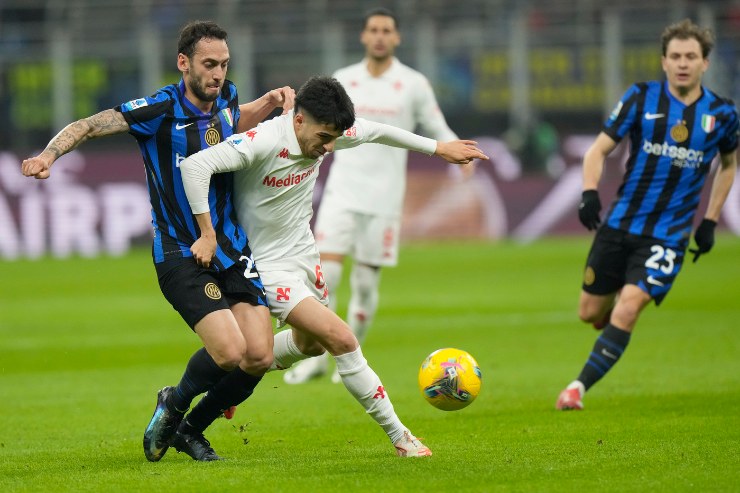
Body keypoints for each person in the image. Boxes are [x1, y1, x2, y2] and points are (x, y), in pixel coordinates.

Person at [21, 20, 296, 460]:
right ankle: (174, 400)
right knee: (229, 353)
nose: (218, 74)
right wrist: (47, 154)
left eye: (224, 65)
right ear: (183, 62)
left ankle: (189, 430)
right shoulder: (158, 109)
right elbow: (91, 125)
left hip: (229, 245)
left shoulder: (225, 95)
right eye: (209, 64)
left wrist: (265, 102)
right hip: (180, 250)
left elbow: (231, 119)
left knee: (259, 356)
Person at [180, 75, 487, 456]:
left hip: (304, 257)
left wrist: (439, 148)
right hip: (265, 266)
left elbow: (376, 131)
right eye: (324, 138)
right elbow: (194, 167)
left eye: (334, 139)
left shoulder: (327, 133)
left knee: (311, 346)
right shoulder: (263, 141)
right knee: (341, 339)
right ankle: (401, 437)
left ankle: (232, 381)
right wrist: (207, 233)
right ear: (298, 120)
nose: (328, 148)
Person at [556, 19, 738, 411]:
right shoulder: (641, 98)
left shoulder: (722, 114)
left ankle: (577, 388)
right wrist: (589, 193)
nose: (683, 63)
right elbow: (596, 150)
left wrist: (709, 220)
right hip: (621, 223)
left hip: (668, 236)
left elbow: (728, 165)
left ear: (705, 63)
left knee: (630, 304)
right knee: (589, 311)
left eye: (691, 56)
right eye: (676, 56)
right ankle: (618, 300)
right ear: (664, 61)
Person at [283, 7, 468, 385]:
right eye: (374, 30)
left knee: (365, 286)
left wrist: (456, 151)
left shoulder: (413, 83)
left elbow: (434, 123)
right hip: (342, 193)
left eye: (387, 30)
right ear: (364, 36)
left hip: (384, 199)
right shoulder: (344, 79)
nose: (380, 36)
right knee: (326, 277)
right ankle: (319, 358)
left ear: (396, 38)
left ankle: (350, 359)